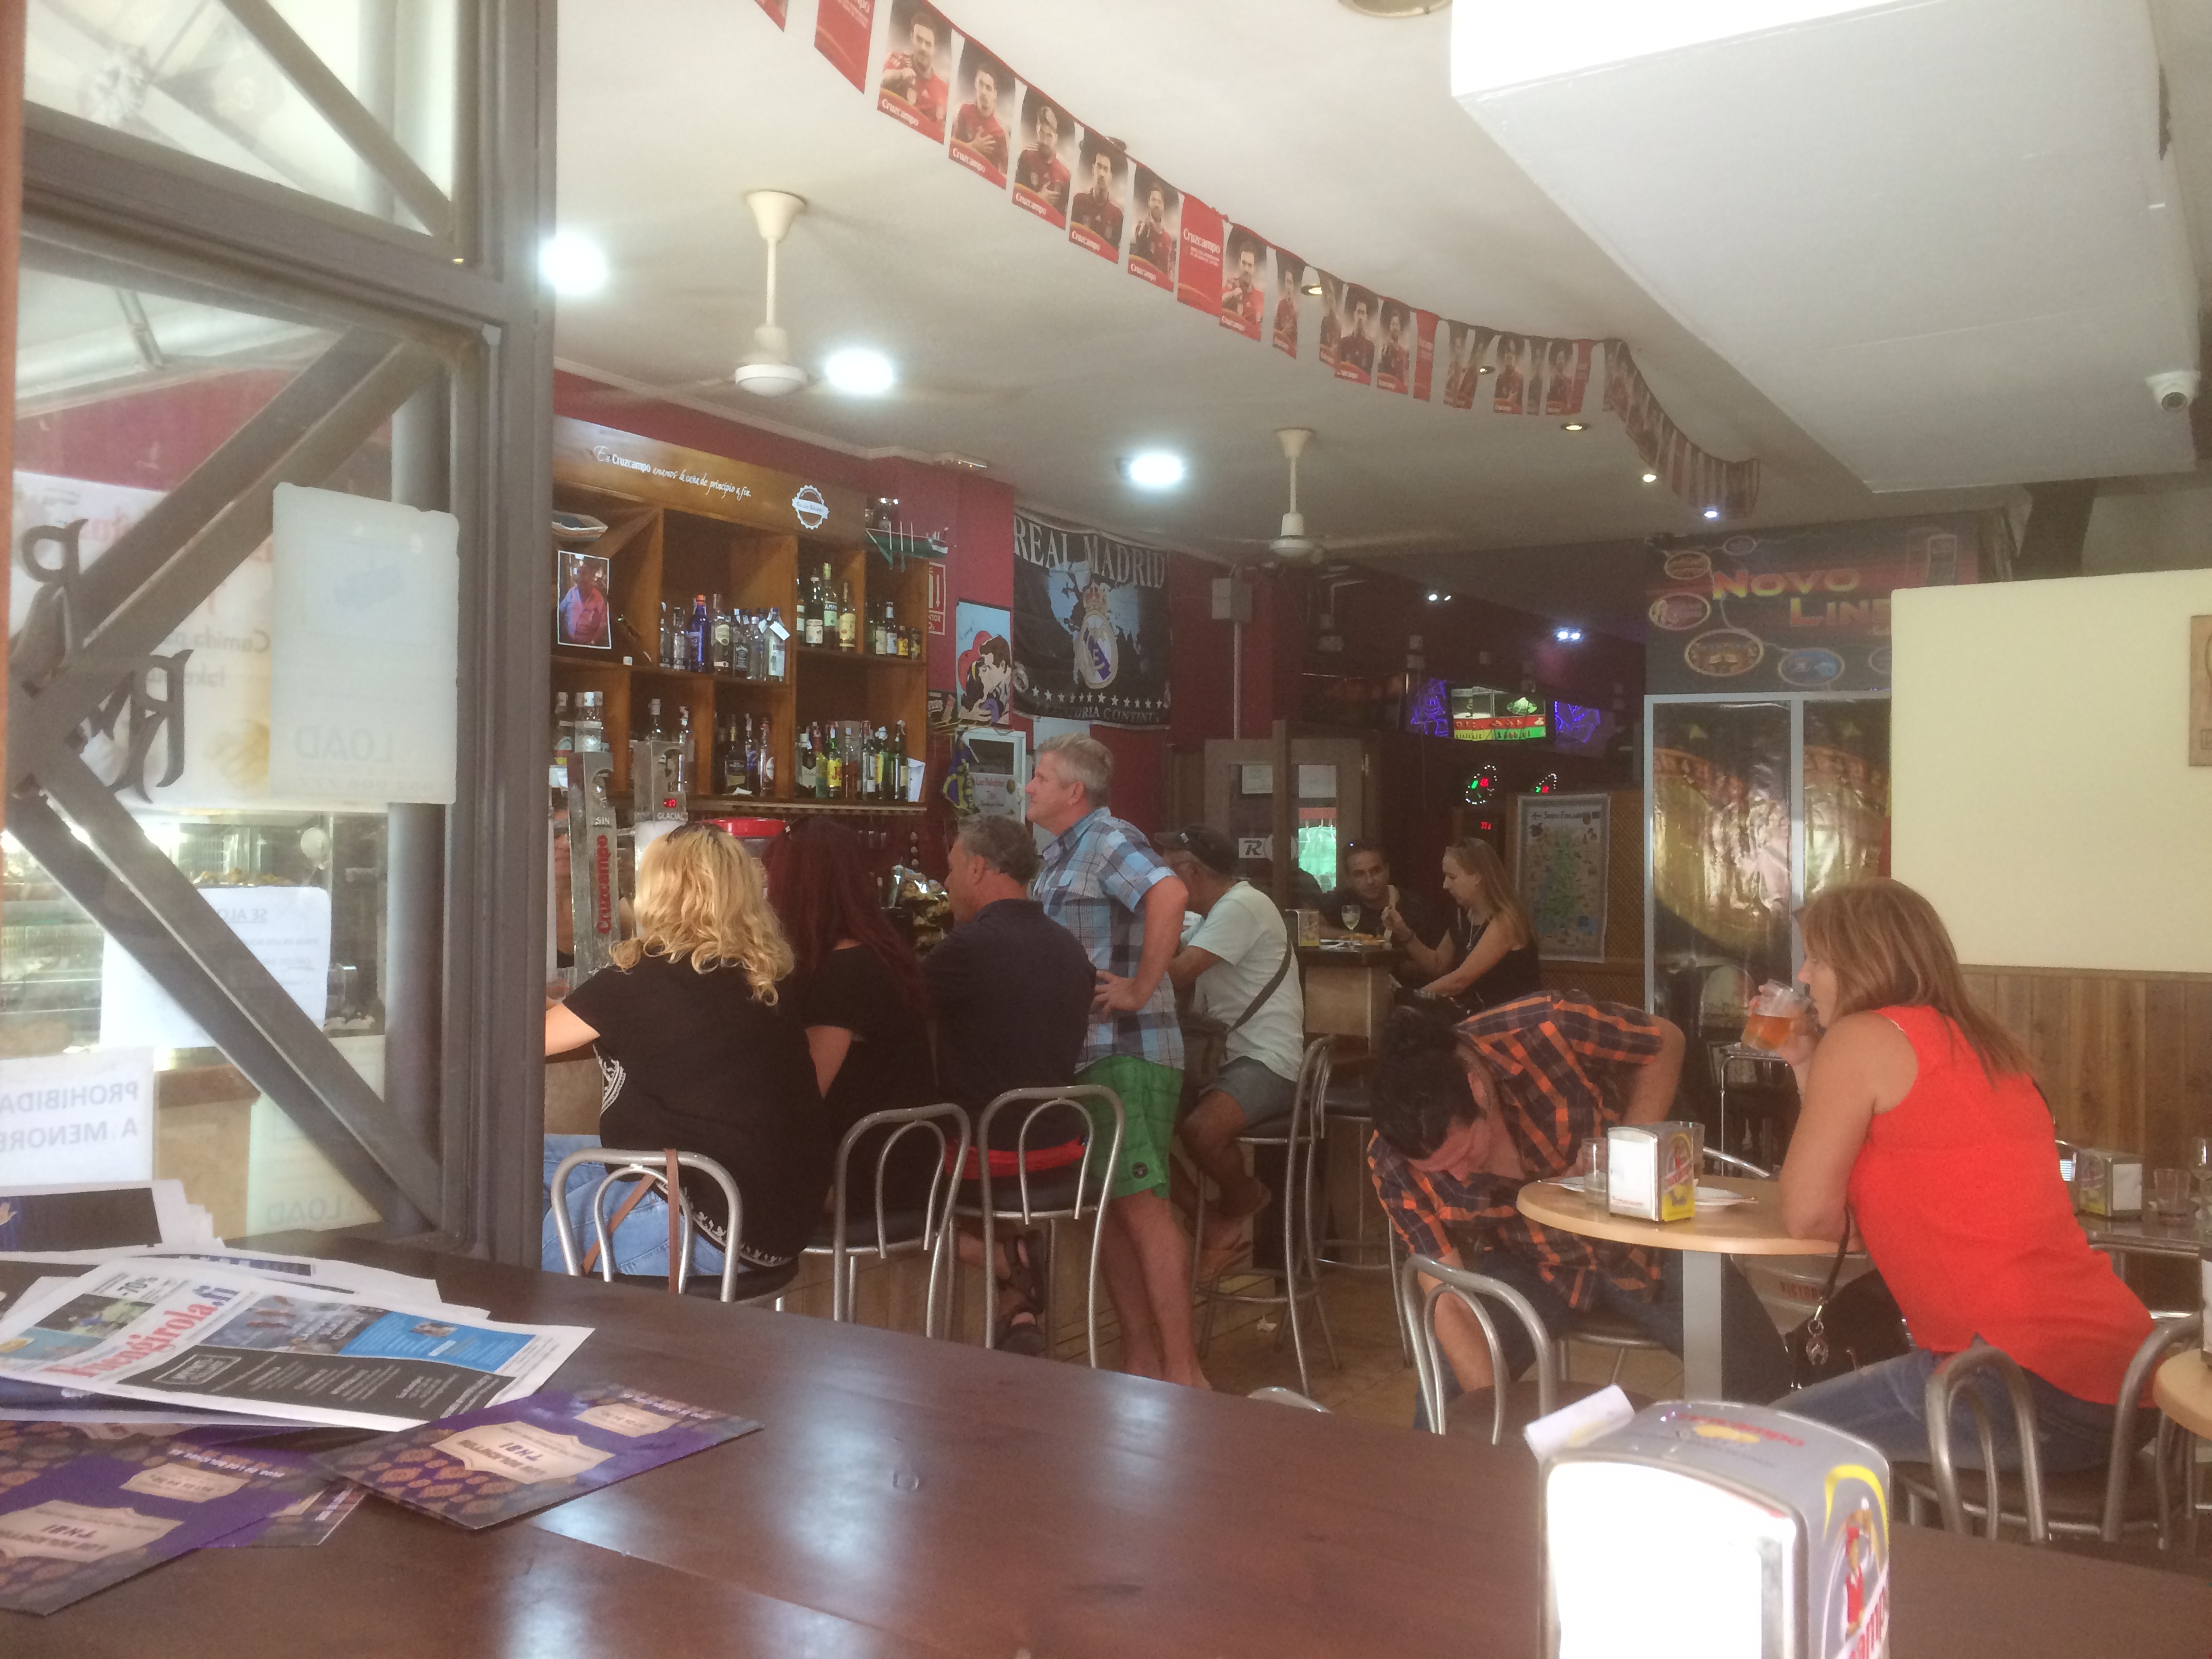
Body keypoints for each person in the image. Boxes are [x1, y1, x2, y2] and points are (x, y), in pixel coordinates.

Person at [1776, 879, 2152, 1471]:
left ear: (1862, 961)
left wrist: (1820, 1063)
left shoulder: (1861, 1038)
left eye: (1817, 959)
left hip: (2017, 1384)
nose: (1803, 975)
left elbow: (1809, 1215)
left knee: (1760, 1445)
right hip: (2127, 1380)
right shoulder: (1983, 1043)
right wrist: (1806, 1064)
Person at [1368, 996, 1790, 1418]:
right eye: (1440, 1171)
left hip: (1645, 1235)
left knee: (1762, 1380)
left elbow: (1665, 1041)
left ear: (1476, 1088)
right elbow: (1449, 1302)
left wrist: (1627, 1146)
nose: (1458, 1176)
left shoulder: (1545, 1027)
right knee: (1443, 1401)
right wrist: (1490, 1419)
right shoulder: (1390, 1163)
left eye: (1463, 1154)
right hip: (1534, 1260)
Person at [541, 824, 828, 1279]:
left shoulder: (642, 979)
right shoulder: (764, 976)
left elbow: (528, 1039)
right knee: (531, 1157)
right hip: (778, 1222)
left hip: (707, 1222)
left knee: (521, 1244)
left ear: (658, 890)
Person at [1025, 733, 1204, 1387]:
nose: (1028, 786)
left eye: (1041, 777)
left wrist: (1139, 986)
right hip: (1088, 1056)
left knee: (1142, 1209)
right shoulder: (1058, 855)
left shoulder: (1106, 838)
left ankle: (1184, 1372)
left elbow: (1170, 894)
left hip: (1127, 1050)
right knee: (1111, 1214)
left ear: (1074, 791)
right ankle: (1142, 1361)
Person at [927, 813, 1099, 1355]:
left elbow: (893, 1014)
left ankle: (1003, 1260)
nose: (946, 882)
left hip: (992, 1155)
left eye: (952, 868)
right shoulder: (1069, 948)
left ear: (978, 868)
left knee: (883, 1183)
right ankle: (1019, 1306)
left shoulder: (966, 950)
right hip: (1063, 1149)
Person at [762, 818, 935, 1218]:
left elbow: (804, 1093)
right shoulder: (876, 951)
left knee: (726, 1182)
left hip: (868, 1172)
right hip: (904, 1156)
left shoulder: (844, 972)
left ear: (797, 886)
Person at [1157, 826, 1305, 1276]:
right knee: (1142, 1127)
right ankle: (1208, 1220)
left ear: (1192, 871)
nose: (1160, 882)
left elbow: (1178, 974)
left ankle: (1244, 1198)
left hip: (1267, 1060)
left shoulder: (1241, 905)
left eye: (1167, 872)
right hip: (1222, 1061)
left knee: (1201, 1131)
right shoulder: (1210, 916)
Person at [1393, 838, 1541, 1012]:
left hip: (1513, 1018)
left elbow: (1460, 981)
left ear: (1477, 876)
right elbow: (1438, 964)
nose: (1445, 885)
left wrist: (1411, 998)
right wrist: (1403, 932)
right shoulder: (1462, 916)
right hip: (1479, 1014)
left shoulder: (1506, 921)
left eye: (1452, 877)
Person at [1321, 841, 1443, 944]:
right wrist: (1356, 937)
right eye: (1359, 874)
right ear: (1348, 879)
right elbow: (1313, 928)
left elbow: (1432, 960)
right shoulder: (1341, 901)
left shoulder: (1415, 907)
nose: (1370, 881)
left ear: (1387, 871)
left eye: (1376, 871)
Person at [878, 7, 948, 136]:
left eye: (928, 44)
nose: (923, 48)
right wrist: (900, 74)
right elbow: (883, 78)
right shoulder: (898, 60)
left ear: (935, 49)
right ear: (912, 37)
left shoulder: (944, 89)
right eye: (919, 40)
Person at [949, 62, 1008, 178]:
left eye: (988, 88)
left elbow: (1004, 174)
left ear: (995, 94)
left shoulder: (999, 131)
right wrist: (973, 147)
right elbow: (952, 146)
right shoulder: (965, 111)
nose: (983, 92)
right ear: (975, 83)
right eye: (981, 84)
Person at [1013, 100, 1070, 216]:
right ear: (1037, 130)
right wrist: (1038, 199)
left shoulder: (1065, 174)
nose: (1044, 141)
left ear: (1056, 138)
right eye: (1041, 133)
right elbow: (1015, 196)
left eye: (1049, 136)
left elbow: (1062, 218)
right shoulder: (1026, 156)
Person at [1069, 148, 1124, 247]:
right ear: (1093, 170)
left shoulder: (1118, 217)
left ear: (1110, 177)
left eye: (1106, 169)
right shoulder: (1078, 201)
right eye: (1099, 167)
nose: (1102, 174)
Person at [558, 558, 609, 648]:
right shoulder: (572, 592)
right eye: (579, 572)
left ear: (591, 576)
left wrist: (593, 642)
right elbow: (561, 612)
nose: (581, 576)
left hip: (588, 645)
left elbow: (603, 624)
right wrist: (562, 635)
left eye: (584, 573)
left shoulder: (599, 599)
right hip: (568, 641)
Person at [1130, 182, 1173, 274]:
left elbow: (1168, 269)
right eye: (1153, 200)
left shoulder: (1168, 238)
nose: (1156, 204)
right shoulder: (1141, 227)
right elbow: (1140, 238)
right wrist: (1146, 226)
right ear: (1148, 202)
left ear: (1163, 206)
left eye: (1159, 201)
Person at [1220, 241, 1263, 330]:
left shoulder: (1261, 297)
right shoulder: (1231, 283)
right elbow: (1220, 301)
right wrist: (1233, 294)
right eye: (1244, 263)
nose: (1246, 269)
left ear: (1254, 268)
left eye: (1250, 265)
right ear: (1239, 263)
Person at [1338, 296, 1376, 375]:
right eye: (1358, 312)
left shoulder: (1371, 347)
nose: (1360, 317)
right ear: (1354, 315)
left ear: (1366, 317)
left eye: (1363, 313)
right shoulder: (1344, 343)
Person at [1271, 260, 1300, 354]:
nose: (1288, 286)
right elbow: (1274, 331)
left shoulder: (1297, 311)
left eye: (1290, 283)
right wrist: (1283, 332)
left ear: (1294, 286)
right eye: (1287, 282)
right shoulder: (1281, 305)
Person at [1376, 308, 1410, 384]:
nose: (1395, 327)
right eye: (1393, 324)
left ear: (1400, 327)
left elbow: (1404, 376)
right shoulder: (1384, 348)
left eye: (1397, 324)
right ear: (1390, 326)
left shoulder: (1403, 352)